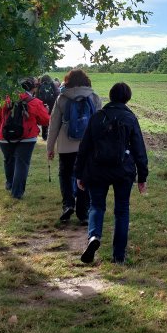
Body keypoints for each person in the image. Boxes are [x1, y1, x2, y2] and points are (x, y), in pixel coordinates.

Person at [75, 82, 148, 264]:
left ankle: (94, 236)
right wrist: (142, 177)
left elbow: (84, 147)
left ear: (111, 96)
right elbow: (139, 150)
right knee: (122, 210)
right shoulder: (130, 119)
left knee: (96, 206)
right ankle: (119, 256)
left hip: (96, 170)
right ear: (127, 98)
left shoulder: (97, 117)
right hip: (123, 171)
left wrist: (79, 173)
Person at [46, 69, 101, 223]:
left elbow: (54, 125)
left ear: (68, 81)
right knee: (84, 176)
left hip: (66, 145)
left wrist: (50, 147)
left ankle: (68, 204)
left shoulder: (62, 98)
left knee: (65, 174)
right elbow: (99, 124)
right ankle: (83, 213)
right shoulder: (94, 97)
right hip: (87, 145)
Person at [0, 77, 50, 199]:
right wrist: (46, 111)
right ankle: (17, 193)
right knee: (22, 163)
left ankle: (10, 184)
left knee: (8, 160)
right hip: (27, 137)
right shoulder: (35, 102)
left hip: (5, 136)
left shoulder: (5, 100)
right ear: (33, 88)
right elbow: (45, 121)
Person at [35, 73, 60, 140]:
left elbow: (36, 96)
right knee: (52, 120)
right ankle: (51, 135)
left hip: (42, 105)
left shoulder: (40, 86)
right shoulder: (53, 85)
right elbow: (57, 94)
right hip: (52, 105)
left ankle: (44, 135)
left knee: (44, 119)